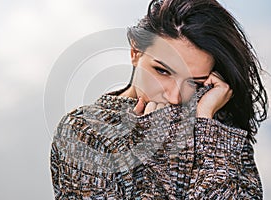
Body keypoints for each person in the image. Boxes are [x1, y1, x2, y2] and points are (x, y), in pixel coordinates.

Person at [50, 0, 268, 199]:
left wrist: (206, 125)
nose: (174, 97)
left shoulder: (216, 122)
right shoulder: (84, 132)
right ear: (136, 52)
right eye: (163, 71)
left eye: (194, 82)